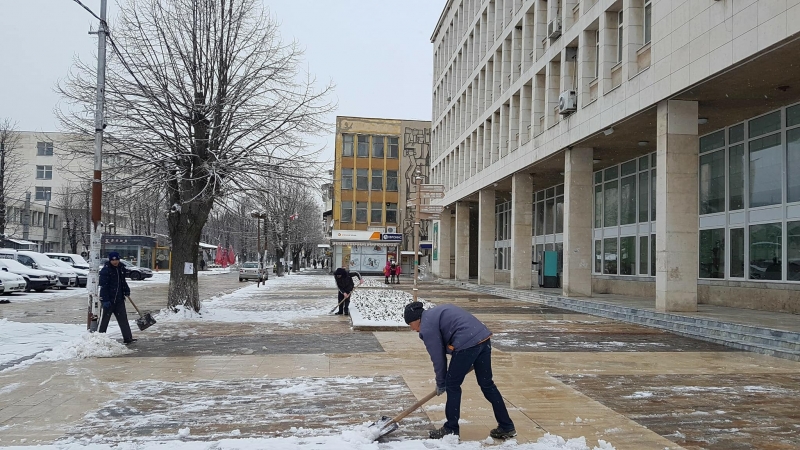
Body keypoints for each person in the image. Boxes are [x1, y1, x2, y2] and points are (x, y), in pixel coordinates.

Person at [404, 301, 515, 440]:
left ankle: (451, 429)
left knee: (452, 385)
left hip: (468, 344)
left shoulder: (427, 326)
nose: (412, 329)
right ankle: (506, 426)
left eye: (410, 325)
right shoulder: (435, 313)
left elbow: (438, 357)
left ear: (416, 320)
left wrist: (441, 382)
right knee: (487, 384)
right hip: (483, 338)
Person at [99, 251, 136, 344]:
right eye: (113, 260)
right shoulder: (106, 270)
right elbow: (103, 286)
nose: (115, 262)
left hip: (119, 299)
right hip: (109, 300)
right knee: (104, 320)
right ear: (110, 260)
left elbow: (123, 282)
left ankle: (128, 338)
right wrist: (105, 299)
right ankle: (99, 338)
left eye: (117, 260)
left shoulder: (121, 269)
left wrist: (126, 290)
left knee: (123, 319)